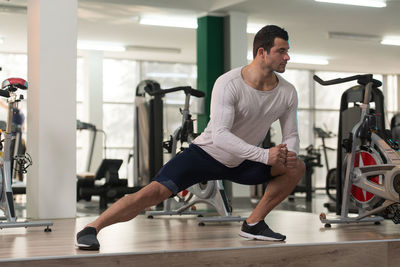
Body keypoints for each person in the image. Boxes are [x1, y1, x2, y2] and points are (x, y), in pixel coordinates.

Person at [76, 25, 305, 250]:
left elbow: (291, 134)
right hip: (206, 154)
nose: (287, 57)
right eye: (281, 51)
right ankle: (92, 228)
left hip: (243, 161)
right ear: (261, 52)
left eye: (287, 51)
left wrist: (290, 154)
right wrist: (265, 155)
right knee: (153, 193)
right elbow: (221, 136)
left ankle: (253, 223)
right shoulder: (229, 83)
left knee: (296, 167)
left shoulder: (287, 92)